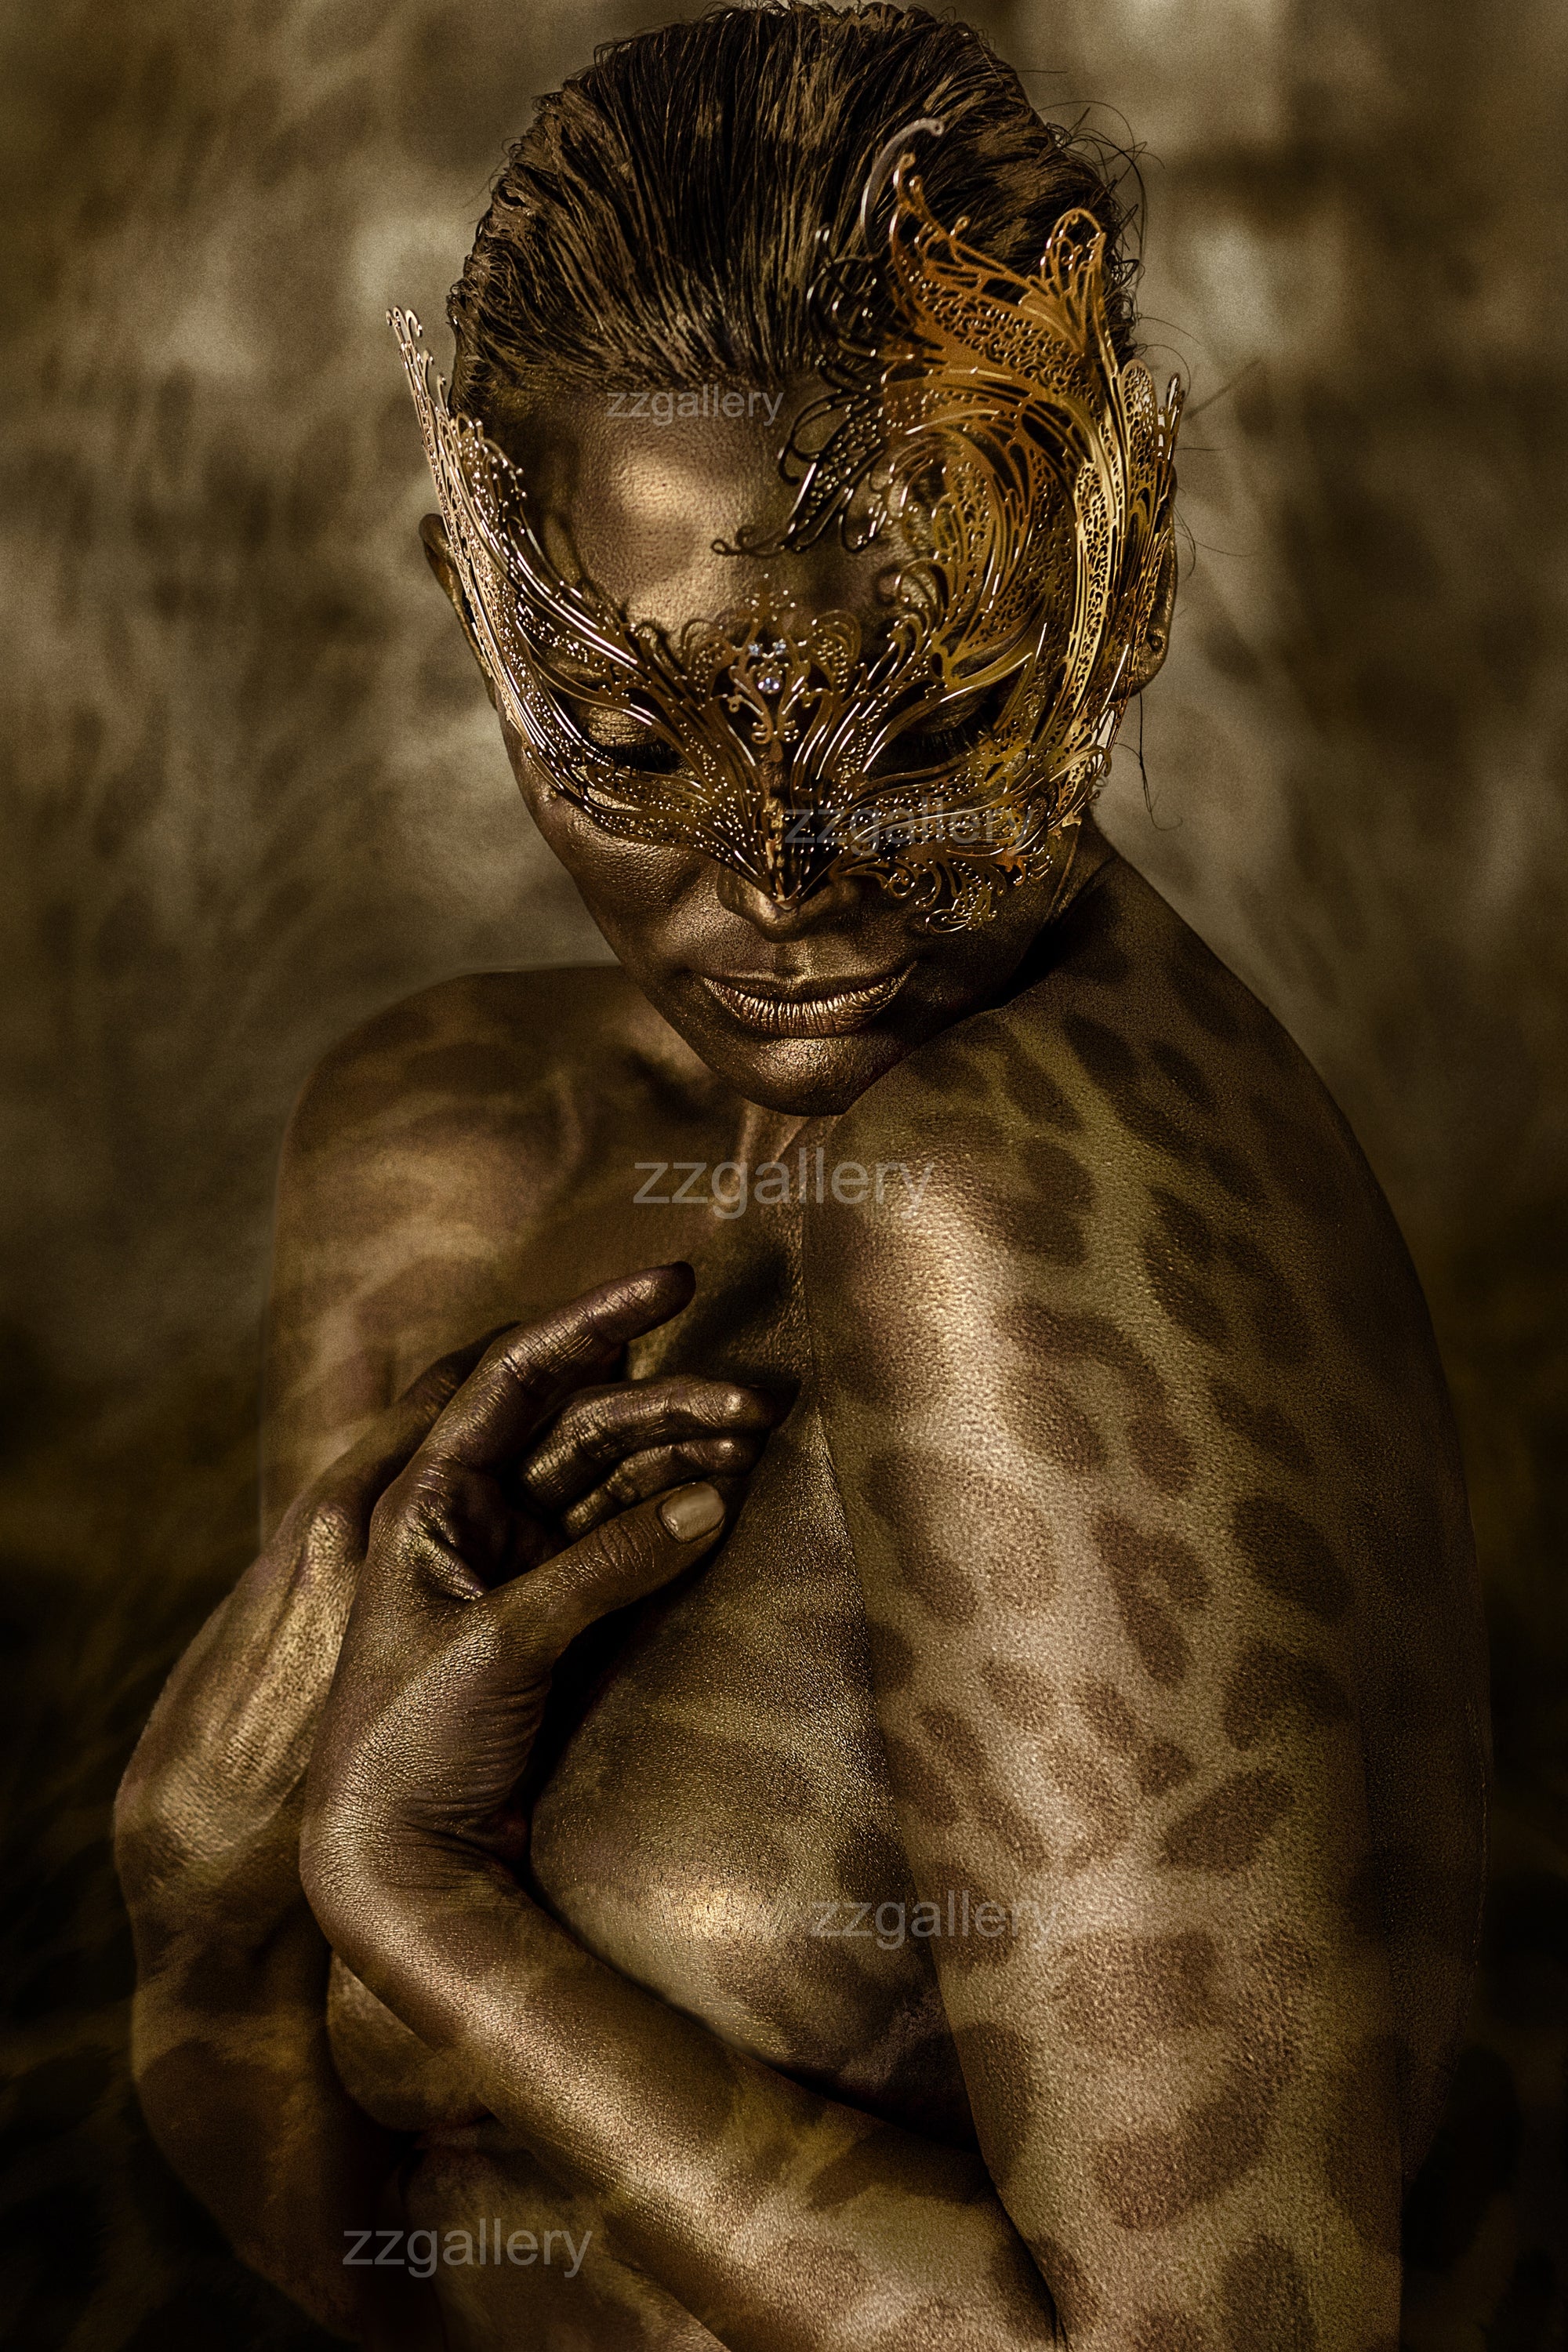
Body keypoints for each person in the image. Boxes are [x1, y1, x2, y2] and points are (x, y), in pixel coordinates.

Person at [113, 8, 1488, 2346]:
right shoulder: (446, 1131)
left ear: (1114, 574)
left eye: (924, 723)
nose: (789, 886)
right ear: (472, 593)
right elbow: (355, 2257)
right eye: (637, 740)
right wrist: (196, 1911)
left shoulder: (997, 1219)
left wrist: (407, 1904)